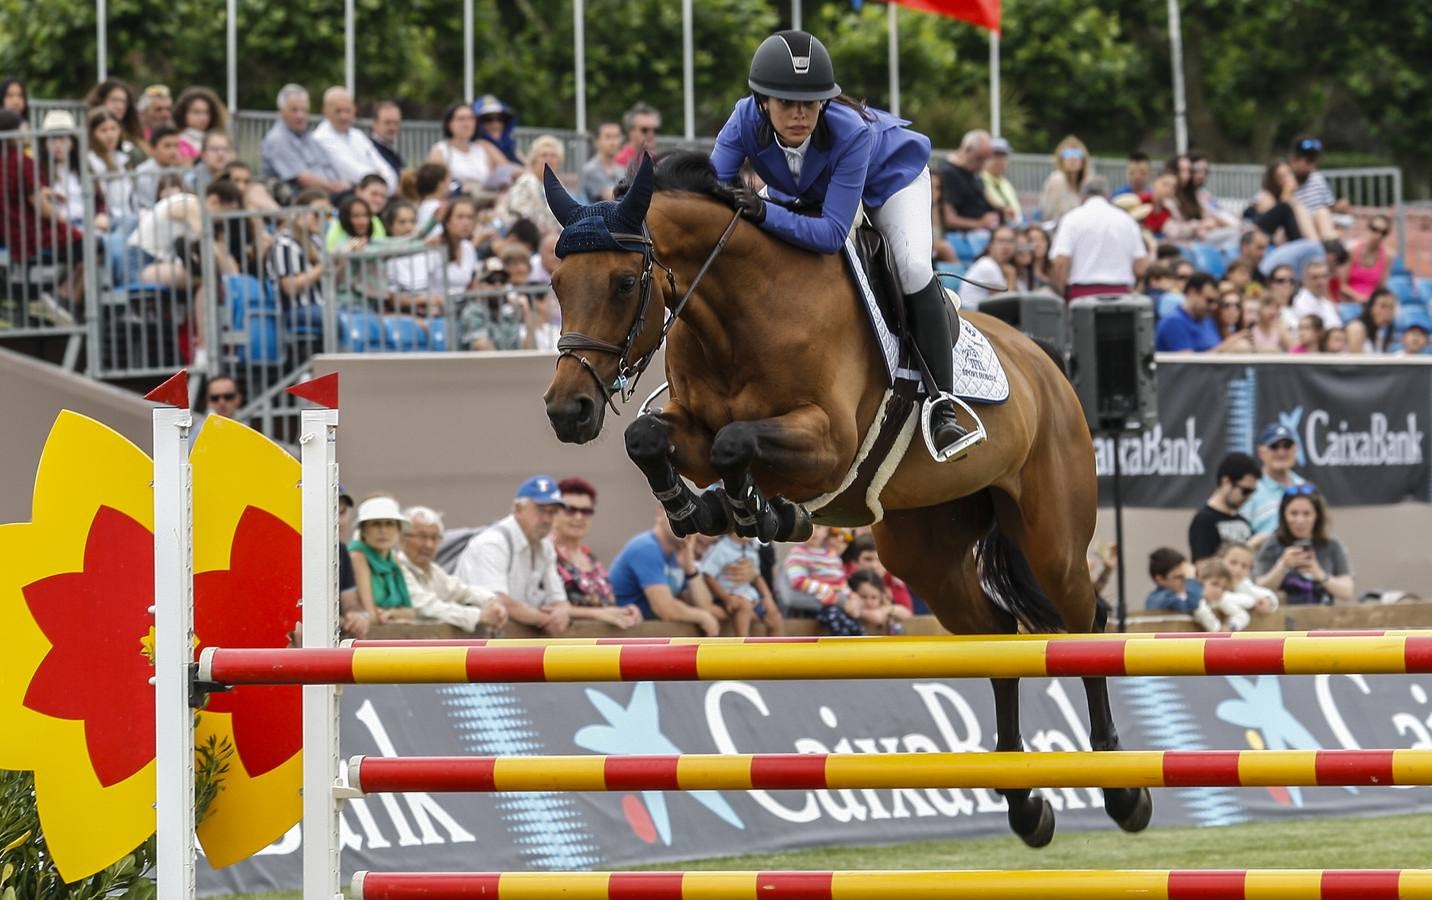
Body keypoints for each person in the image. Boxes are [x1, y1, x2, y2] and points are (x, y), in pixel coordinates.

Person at [712, 31, 973, 459]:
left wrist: (760, 212)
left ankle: (944, 405)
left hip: (890, 179)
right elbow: (714, 192)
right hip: (809, 190)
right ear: (762, 102)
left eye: (810, 103)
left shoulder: (849, 130)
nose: (799, 115)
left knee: (911, 267)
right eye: (786, 103)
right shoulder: (743, 120)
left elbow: (832, 234)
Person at [454, 475, 573, 636]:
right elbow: (496, 600)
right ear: (517, 509)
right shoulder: (492, 543)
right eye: (540, 509)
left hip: (508, 642)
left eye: (552, 512)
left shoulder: (545, 546)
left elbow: (559, 599)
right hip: (470, 646)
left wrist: (562, 611)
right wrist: (544, 619)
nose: (547, 519)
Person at [397, 505, 509, 634]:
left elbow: (462, 590)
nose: (429, 545)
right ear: (402, 538)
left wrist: (492, 601)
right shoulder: (396, 568)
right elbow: (426, 607)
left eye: (435, 538)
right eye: (422, 537)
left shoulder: (434, 571)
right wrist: (479, 616)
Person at [609, 508, 721, 635]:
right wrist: (702, 617)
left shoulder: (677, 554)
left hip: (644, 636)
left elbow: (704, 606)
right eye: (677, 513)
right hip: (621, 637)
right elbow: (664, 608)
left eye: (689, 517)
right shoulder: (646, 547)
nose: (683, 521)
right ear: (660, 513)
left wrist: (690, 569)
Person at [549, 477, 643, 629]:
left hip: (598, 647)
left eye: (586, 511)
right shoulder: (545, 553)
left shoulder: (589, 557)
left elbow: (606, 605)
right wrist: (598, 614)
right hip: (560, 648)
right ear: (554, 512)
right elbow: (545, 607)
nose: (578, 517)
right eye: (570, 510)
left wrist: (625, 611)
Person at [1049, 177, 1149, 301]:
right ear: (1108, 196)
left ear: (1083, 196)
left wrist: (1061, 294)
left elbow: (1060, 261)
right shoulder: (1126, 220)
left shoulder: (1071, 219)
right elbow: (1141, 266)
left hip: (1081, 295)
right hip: (1121, 295)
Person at [1254, 486, 1355, 605]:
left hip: (1322, 617)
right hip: (1284, 619)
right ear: (1284, 515)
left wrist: (1319, 574)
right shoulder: (1273, 544)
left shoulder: (1332, 545)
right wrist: (1283, 565)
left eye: (1307, 514)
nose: (1300, 520)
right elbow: (1258, 588)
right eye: (1293, 513)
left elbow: (1347, 592)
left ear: (1317, 516)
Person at [261, 84, 348, 195]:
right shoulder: (277, 139)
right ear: (281, 112)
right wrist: (334, 187)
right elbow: (302, 178)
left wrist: (342, 183)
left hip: (326, 193)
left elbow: (327, 166)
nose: (300, 116)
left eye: (304, 110)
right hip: (304, 200)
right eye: (294, 110)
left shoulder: (308, 136)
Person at [312, 86, 398, 192]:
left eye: (347, 110)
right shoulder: (320, 138)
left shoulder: (358, 135)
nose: (344, 116)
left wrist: (384, 182)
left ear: (354, 110)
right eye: (338, 111)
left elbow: (385, 168)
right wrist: (381, 180)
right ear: (325, 111)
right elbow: (353, 172)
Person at [348, 495, 416, 624]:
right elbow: (371, 614)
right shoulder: (356, 557)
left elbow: (411, 613)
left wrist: (392, 614)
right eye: (375, 524)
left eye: (389, 524)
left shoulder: (394, 559)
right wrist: (397, 617)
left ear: (398, 529)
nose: (383, 530)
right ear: (363, 530)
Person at [699, 534, 783, 637]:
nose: (749, 531)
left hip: (750, 597)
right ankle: (742, 644)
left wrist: (768, 598)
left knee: (774, 615)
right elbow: (708, 576)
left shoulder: (751, 548)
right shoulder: (721, 548)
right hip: (727, 598)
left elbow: (756, 577)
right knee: (744, 606)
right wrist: (727, 598)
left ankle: (773, 650)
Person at [1188, 452, 1260, 562]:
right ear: (1226, 482)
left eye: (1252, 492)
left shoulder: (1243, 521)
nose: (1249, 498)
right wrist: (1247, 548)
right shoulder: (1204, 520)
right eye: (1246, 491)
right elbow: (1204, 568)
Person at [1156, 272, 1252, 353]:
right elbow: (1187, 366)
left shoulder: (1206, 320)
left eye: (1216, 302)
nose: (1213, 306)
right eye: (1209, 300)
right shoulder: (1174, 322)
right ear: (1192, 292)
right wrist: (1230, 344)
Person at [1241, 423, 1308, 537]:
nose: (1281, 452)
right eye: (1274, 446)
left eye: (1287, 446)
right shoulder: (1250, 489)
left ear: (1295, 450)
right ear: (1261, 453)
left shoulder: (1305, 487)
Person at [429, 101, 504, 194]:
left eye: (471, 119)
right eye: (461, 119)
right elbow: (437, 186)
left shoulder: (483, 148)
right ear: (449, 123)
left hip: (485, 200)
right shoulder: (440, 151)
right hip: (456, 202)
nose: (467, 124)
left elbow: (506, 169)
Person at [938, 129, 997, 234]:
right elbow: (949, 219)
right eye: (979, 158)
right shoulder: (949, 173)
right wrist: (980, 223)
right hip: (966, 237)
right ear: (967, 150)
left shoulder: (973, 174)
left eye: (985, 160)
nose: (982, 165)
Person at [501, 134, 563, 234]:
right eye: (544, 155)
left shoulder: (558, 187)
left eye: (553, 156)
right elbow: (523, 217)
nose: (549, 159)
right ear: (534, 160)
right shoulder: (526, 182)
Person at [1144, 547, 1214, 625]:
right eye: (1179, 577)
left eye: (1186, 577)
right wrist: (1191, 578)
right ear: (1160, 579)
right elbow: (1192, 605)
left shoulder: (1179, 595)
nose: (1185, 582)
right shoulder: (1158, 599)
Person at [1288, 136, 1339, 241]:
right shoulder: (1283, 178)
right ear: (1293, 160)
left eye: (1315, 161)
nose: (1312, 165)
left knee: (1322, 212)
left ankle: (1330, 248)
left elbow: (1330, 207)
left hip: (1319, 227)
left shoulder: (1317, 178)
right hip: (1294, 230)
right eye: (1309, 161)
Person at [86, 78, 147, 162]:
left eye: (124, 101)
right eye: (114, 100)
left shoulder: (134, 134)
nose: (120, 106)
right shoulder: (86, 131)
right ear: (100, 100)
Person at [1195, 557, 1259, 632]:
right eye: (1214, 584)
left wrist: (1231, 627)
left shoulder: (1219, 600)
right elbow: (1200, 609)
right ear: (1200, 580)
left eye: (1224, 588)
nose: (1219, 590)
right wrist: (1217, 629)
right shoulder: (1194, 598)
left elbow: (1242, 615)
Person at [959, 225, 1015, 307]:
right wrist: (1011, 277)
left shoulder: (996, 265)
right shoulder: (988, 266)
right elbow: (1006, 305)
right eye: (1001, 241)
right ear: (990, 245)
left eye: (1010, 241)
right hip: (972, 315)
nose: (1006, 246)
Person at [1342, 214, 1392, 303]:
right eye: (1374, 229)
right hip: (1350, 302)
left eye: (1383, 232)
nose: (1378, 235)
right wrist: (1359, 297)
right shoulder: (1352, 251)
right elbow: (1341, 286)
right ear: (1368, 229)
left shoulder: (1387, 256)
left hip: (1372, 305)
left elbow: (1381, 287)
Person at [1038, 135, 1088, 222]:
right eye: (1067, 154)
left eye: (1077, 154)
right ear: (1061, 159)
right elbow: (1048, 213)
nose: (1072, 158)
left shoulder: (1087, 183)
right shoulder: (1056, 180)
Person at [173, 86, 228, 160]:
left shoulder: (220, 139)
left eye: (207, 112)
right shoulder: (175, 141)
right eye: (196, 112)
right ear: (183, 114)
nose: (203, 118)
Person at [473, 94, 524, 169]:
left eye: (500, 119)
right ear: (478, 123)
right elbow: (508, 169)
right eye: (488, 119)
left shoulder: (509, 145)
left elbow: (528, 165)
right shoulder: (481, 144)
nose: (495, 124)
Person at [980, 136, 1021, 225]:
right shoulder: (978, 181)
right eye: (995, 156)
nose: (1001, 161)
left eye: (1004, 157)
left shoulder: (1005, 183)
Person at [1291, 259, 1342, 330]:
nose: (1321, 282)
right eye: (1315, 277)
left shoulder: (1327, 304)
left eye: (1324, 276)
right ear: (1304, 280)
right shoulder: (1300, 302)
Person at [581, 121, 625, 202]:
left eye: (617, 137)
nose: (613, 142)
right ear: (596, 141)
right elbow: (612, 197)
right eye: (608, 137)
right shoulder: (591, 169)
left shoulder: (622, 170)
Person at [1346, 287, 1397, 354]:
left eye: (1391, 307)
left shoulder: (1381, 332)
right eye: (1383, 306)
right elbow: (1354, 362)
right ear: (1371, 308)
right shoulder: (1357, 328)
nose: (1388, 311)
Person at [615, 101, 660, 168]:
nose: (651, 134)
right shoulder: (618, 162)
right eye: (645, 130)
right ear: (631, 131)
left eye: (654, 130)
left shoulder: (657, 160)